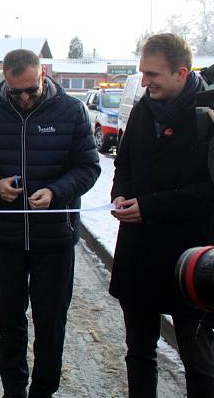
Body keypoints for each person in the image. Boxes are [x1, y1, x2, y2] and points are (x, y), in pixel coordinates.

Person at [0, 48, 100, 398]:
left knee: (51, 321)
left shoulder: (70, 110)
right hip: (5, 236)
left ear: (43, 76)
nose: (24, 98)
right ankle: (13, 389)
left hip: (54, 237)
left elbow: (88, 167)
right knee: (11, 318)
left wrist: (56, 192)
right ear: (4, 82)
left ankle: (43, 390)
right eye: (15, 92)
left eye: (31, 90)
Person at [110, 33, 214, 398]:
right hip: (139, 254)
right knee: (139, 354)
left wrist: (151, 207)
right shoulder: (143, 109)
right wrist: (120, 193)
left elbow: (209, 192)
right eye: (142, 73)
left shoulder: (208, 116)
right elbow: (122, 163)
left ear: (181, 73)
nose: (144, 81)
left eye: (152, 74)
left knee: (199, 360)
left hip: (192, 260)